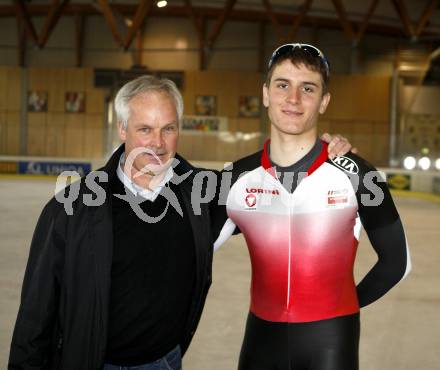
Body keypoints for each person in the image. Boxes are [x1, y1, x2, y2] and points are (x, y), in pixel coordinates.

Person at [8, 74, 351, 370]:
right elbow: (35, 318)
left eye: (168, 128)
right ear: (122, 128)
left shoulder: (201, 193)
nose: (157, 143)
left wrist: (316, 148)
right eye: (145, 129)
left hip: (164, 363)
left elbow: (266, 173)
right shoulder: (73, 207)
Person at [212, 43, 411, 370]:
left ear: (324, 101)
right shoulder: (235, 178)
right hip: (260, 341)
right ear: (265, 94)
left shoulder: (359, 175)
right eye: (282, 85)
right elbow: (190, 252)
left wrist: (343, 306)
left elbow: (397, 263)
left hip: (331, 342)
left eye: (308, 88)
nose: (293, 99)